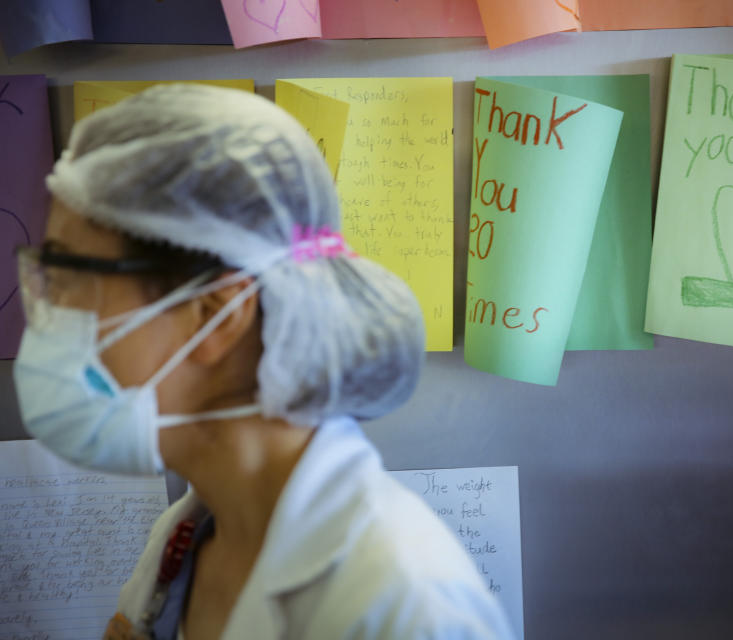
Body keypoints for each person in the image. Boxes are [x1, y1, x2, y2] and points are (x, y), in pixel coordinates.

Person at [13, 84, 515, 640]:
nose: (47, 314)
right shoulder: (185, 538)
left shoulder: (405, 606)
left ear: (214, 315)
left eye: (64, 277)